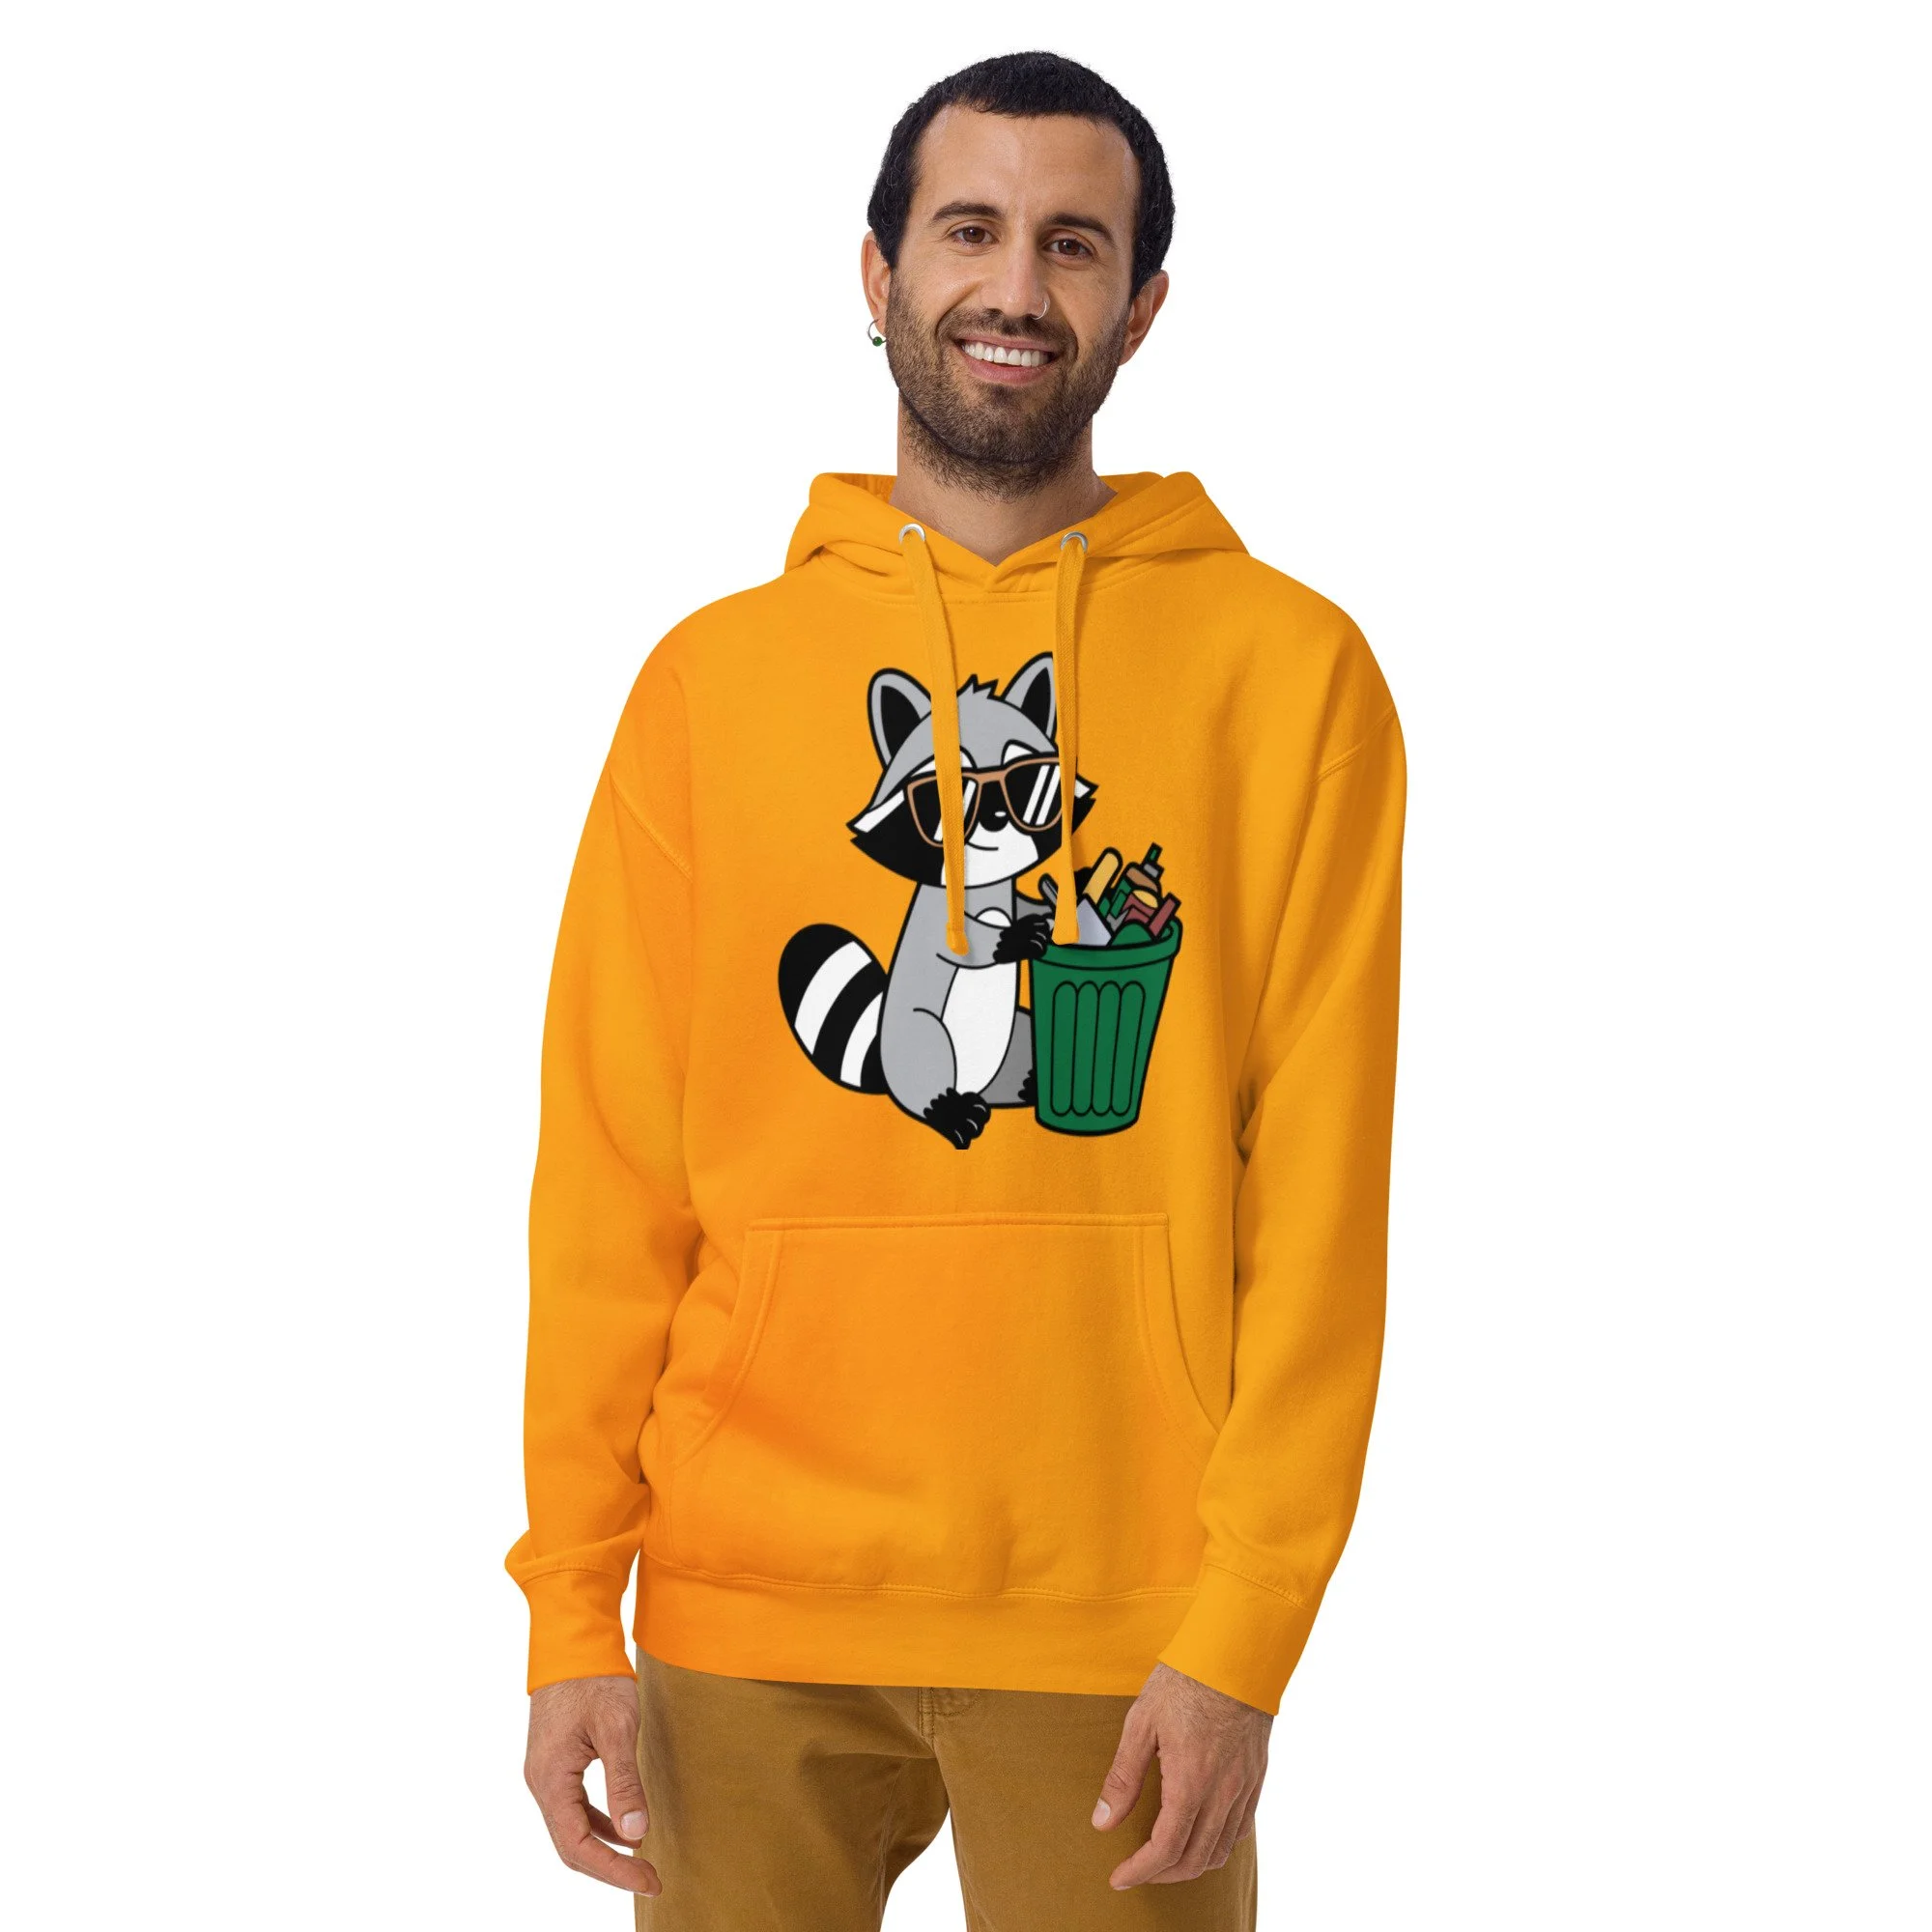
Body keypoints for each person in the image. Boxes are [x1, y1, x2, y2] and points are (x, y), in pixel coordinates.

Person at [507, 49, 1405, 1930]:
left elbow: (1320, 1206)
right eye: (969, 229)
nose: (1015, 286)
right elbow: (609, 1183)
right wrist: (572, 1601)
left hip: (1127, 1619)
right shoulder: (709, 685)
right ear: (878, 272)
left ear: (1141, 306)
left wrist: (1248, 1627)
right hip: (744, 1606)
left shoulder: (1291, 675)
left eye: (1073, 244)